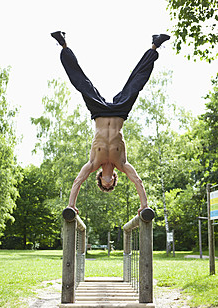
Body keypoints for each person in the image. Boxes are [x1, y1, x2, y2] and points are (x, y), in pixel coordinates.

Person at [51, 31, 170, 218]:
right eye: (110, 184)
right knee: (136, 83)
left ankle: (64, 45)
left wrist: (71, 205)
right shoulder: (122, 164)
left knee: (82, 84)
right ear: (114, 178)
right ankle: (154, 46)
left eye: (104, 184)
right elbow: (137, 181)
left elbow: (78, 181)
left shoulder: (92, 163)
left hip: (98, 111)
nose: (107, 182)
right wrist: (144, 205)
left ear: (100, 177)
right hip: (120, 112)